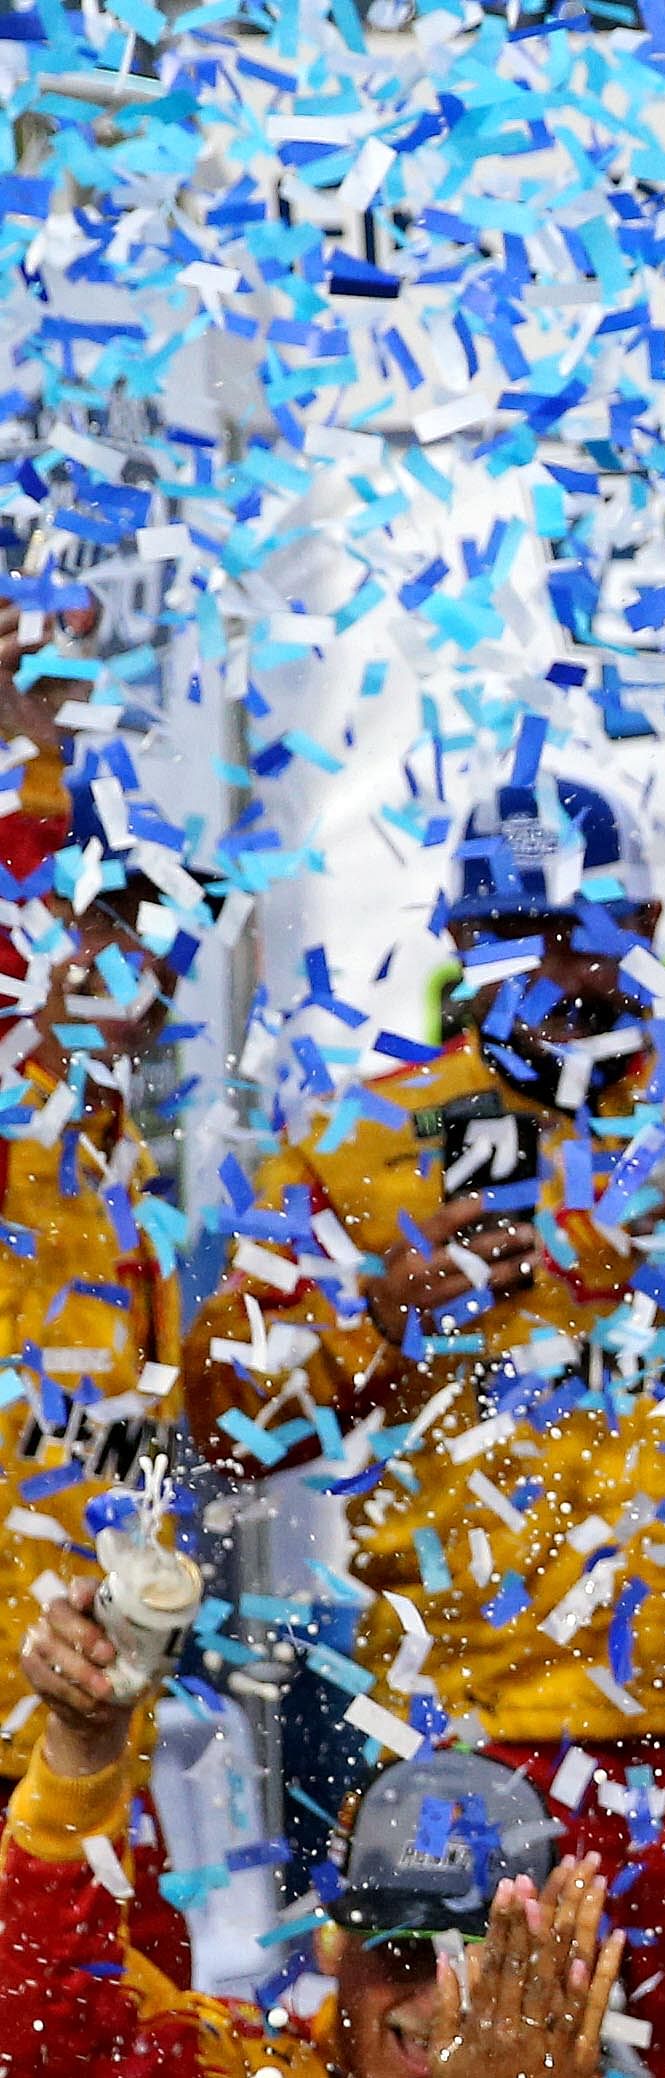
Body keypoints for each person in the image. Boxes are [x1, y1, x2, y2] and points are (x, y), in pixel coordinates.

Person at [183, 773, 665, 2075]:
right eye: (502, 933)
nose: (541, 966)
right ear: (451, 941)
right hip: (467, 1757)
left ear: (646, 921)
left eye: (578, 930)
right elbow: (226, 1426)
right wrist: (380, 1320)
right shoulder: (367, 1137)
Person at [5, 1571, 622, 2078]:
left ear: (553, 1976)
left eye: (484, 1961)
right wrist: (82, 1750)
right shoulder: (249, 2065)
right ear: (331, 1942)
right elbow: (44, 2033)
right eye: (404, 1947)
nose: (443, 1997)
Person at [0, 702, 198, 1978]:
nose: (134, 972)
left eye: (152, 941)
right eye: (100, 933)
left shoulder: (133, 1185)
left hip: (89, 1756)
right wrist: (30, 776)